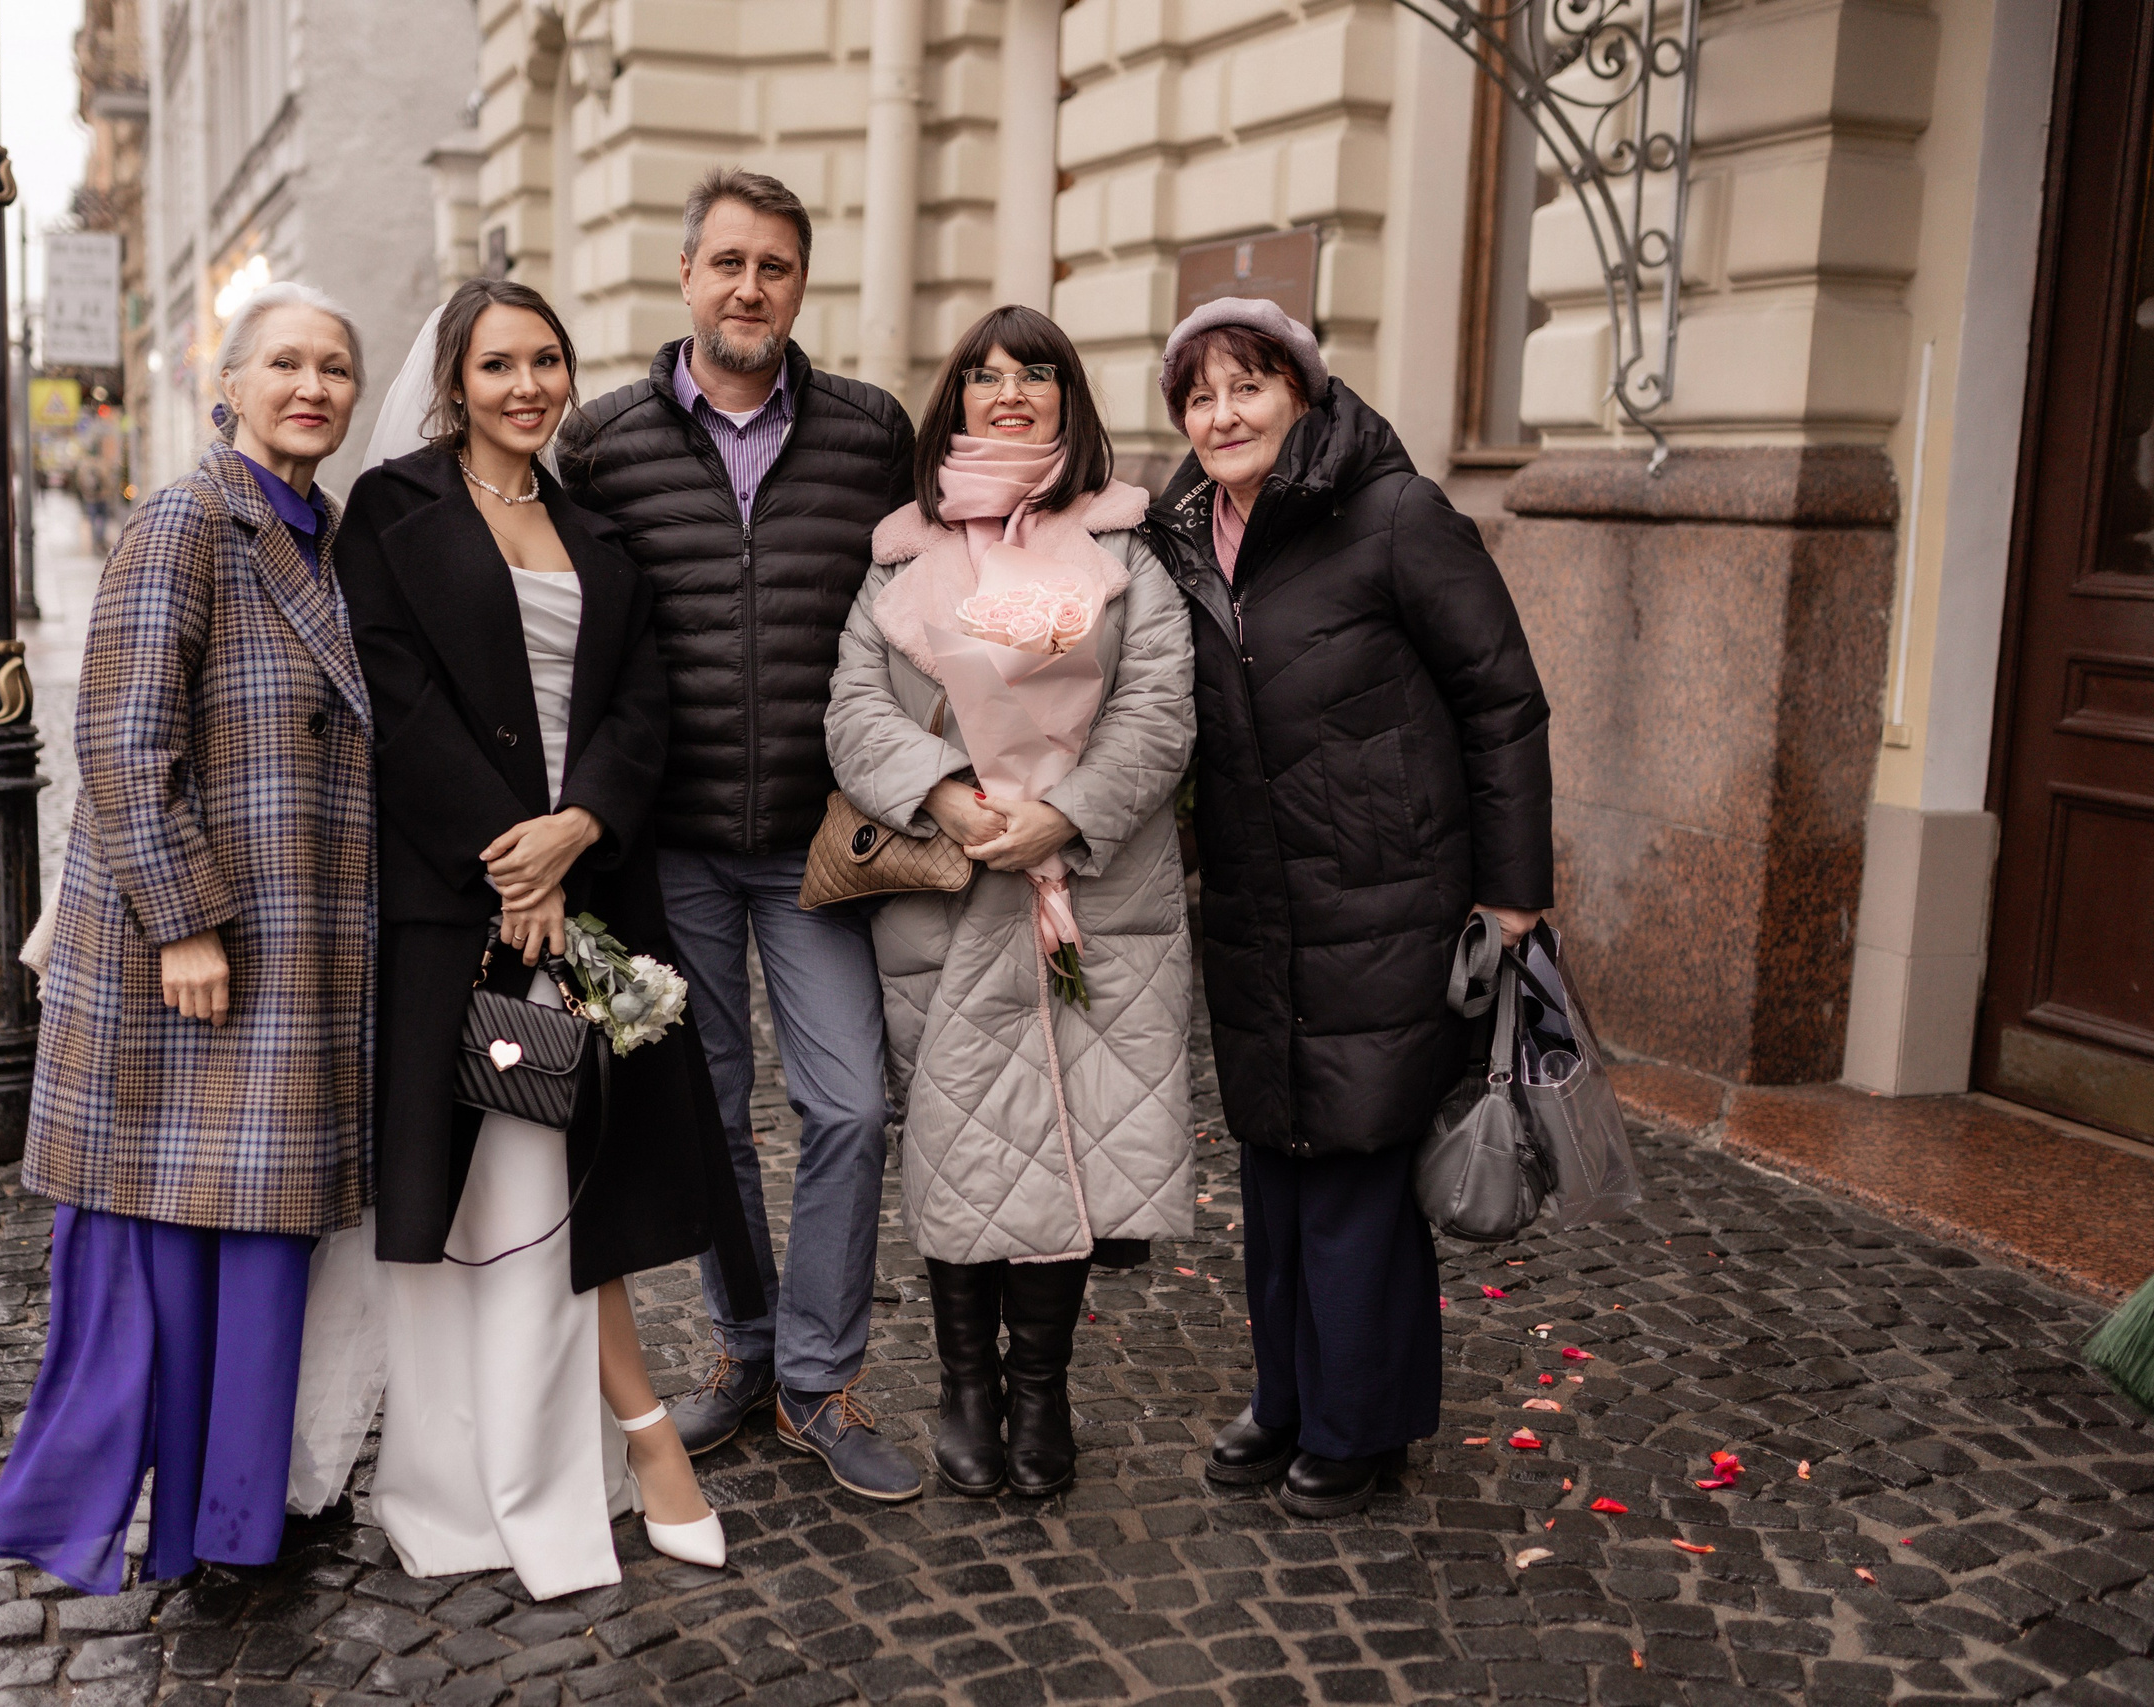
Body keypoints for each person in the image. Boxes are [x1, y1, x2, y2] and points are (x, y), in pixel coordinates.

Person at [285, 278, 766, 1598]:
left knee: (576, 1177)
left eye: (545, 360)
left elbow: (644, 703)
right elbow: (396, 693)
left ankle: (606, 1452)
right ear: (455, 378)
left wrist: (579, 827)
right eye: (497, 363)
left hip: (592, 896)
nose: (526, 386)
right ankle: (481, 1473)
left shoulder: (597, 531)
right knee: (473, 1196)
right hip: (455, 906)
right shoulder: (393, 510)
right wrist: (512, 857)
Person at [0, 282, 374, 1593]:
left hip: (302, 943)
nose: (311, 385)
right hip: (205, 948)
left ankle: (238, 1519)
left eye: (333, 367)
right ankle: (192, 1522)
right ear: (231, 383)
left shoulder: (325, 535)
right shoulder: (186, 518)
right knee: (187, 1247)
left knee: (263, 1243)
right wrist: (184, 922)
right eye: (285, 363)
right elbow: (122, 738)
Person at [1137, 298, 1555, 1518]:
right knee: (1275, 1154)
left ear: (1303, 394)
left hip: (1392, 887)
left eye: (1247, 386)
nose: (1222, 414)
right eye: (1199, 395)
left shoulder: (1395, 516)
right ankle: (1288, 1393)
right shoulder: (1179, 536)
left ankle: (1359, 1422)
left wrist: (1511, 894)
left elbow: (1502, 703)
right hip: (1260, 900)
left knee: (1362, 1159)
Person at [557, 170, 923, 1500]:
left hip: (819, 846)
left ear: (799, 287)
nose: (748, 287)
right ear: (686, 274)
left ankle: (822, 1380)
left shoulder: (871, 432)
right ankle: (747, 1349)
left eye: (773, 266)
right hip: (671, 848)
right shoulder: (602, 443)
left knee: (849, 1102)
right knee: (707, 1115)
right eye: (727, 262)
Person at [825, 306, 1197, 1497]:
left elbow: (1158, 708)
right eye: (985, 377)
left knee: (1070, 1143)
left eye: (1034, 373)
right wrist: (940, 791)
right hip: (946, 893)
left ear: (1066, 398)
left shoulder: (1125, 550)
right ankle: (966, 1393)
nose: (1009, 393)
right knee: (960, 1147)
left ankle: (1040, 1393)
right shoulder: (896, 556)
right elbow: (852, 709)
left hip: (1088, 893)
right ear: (956, 403)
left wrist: (1067, 813)